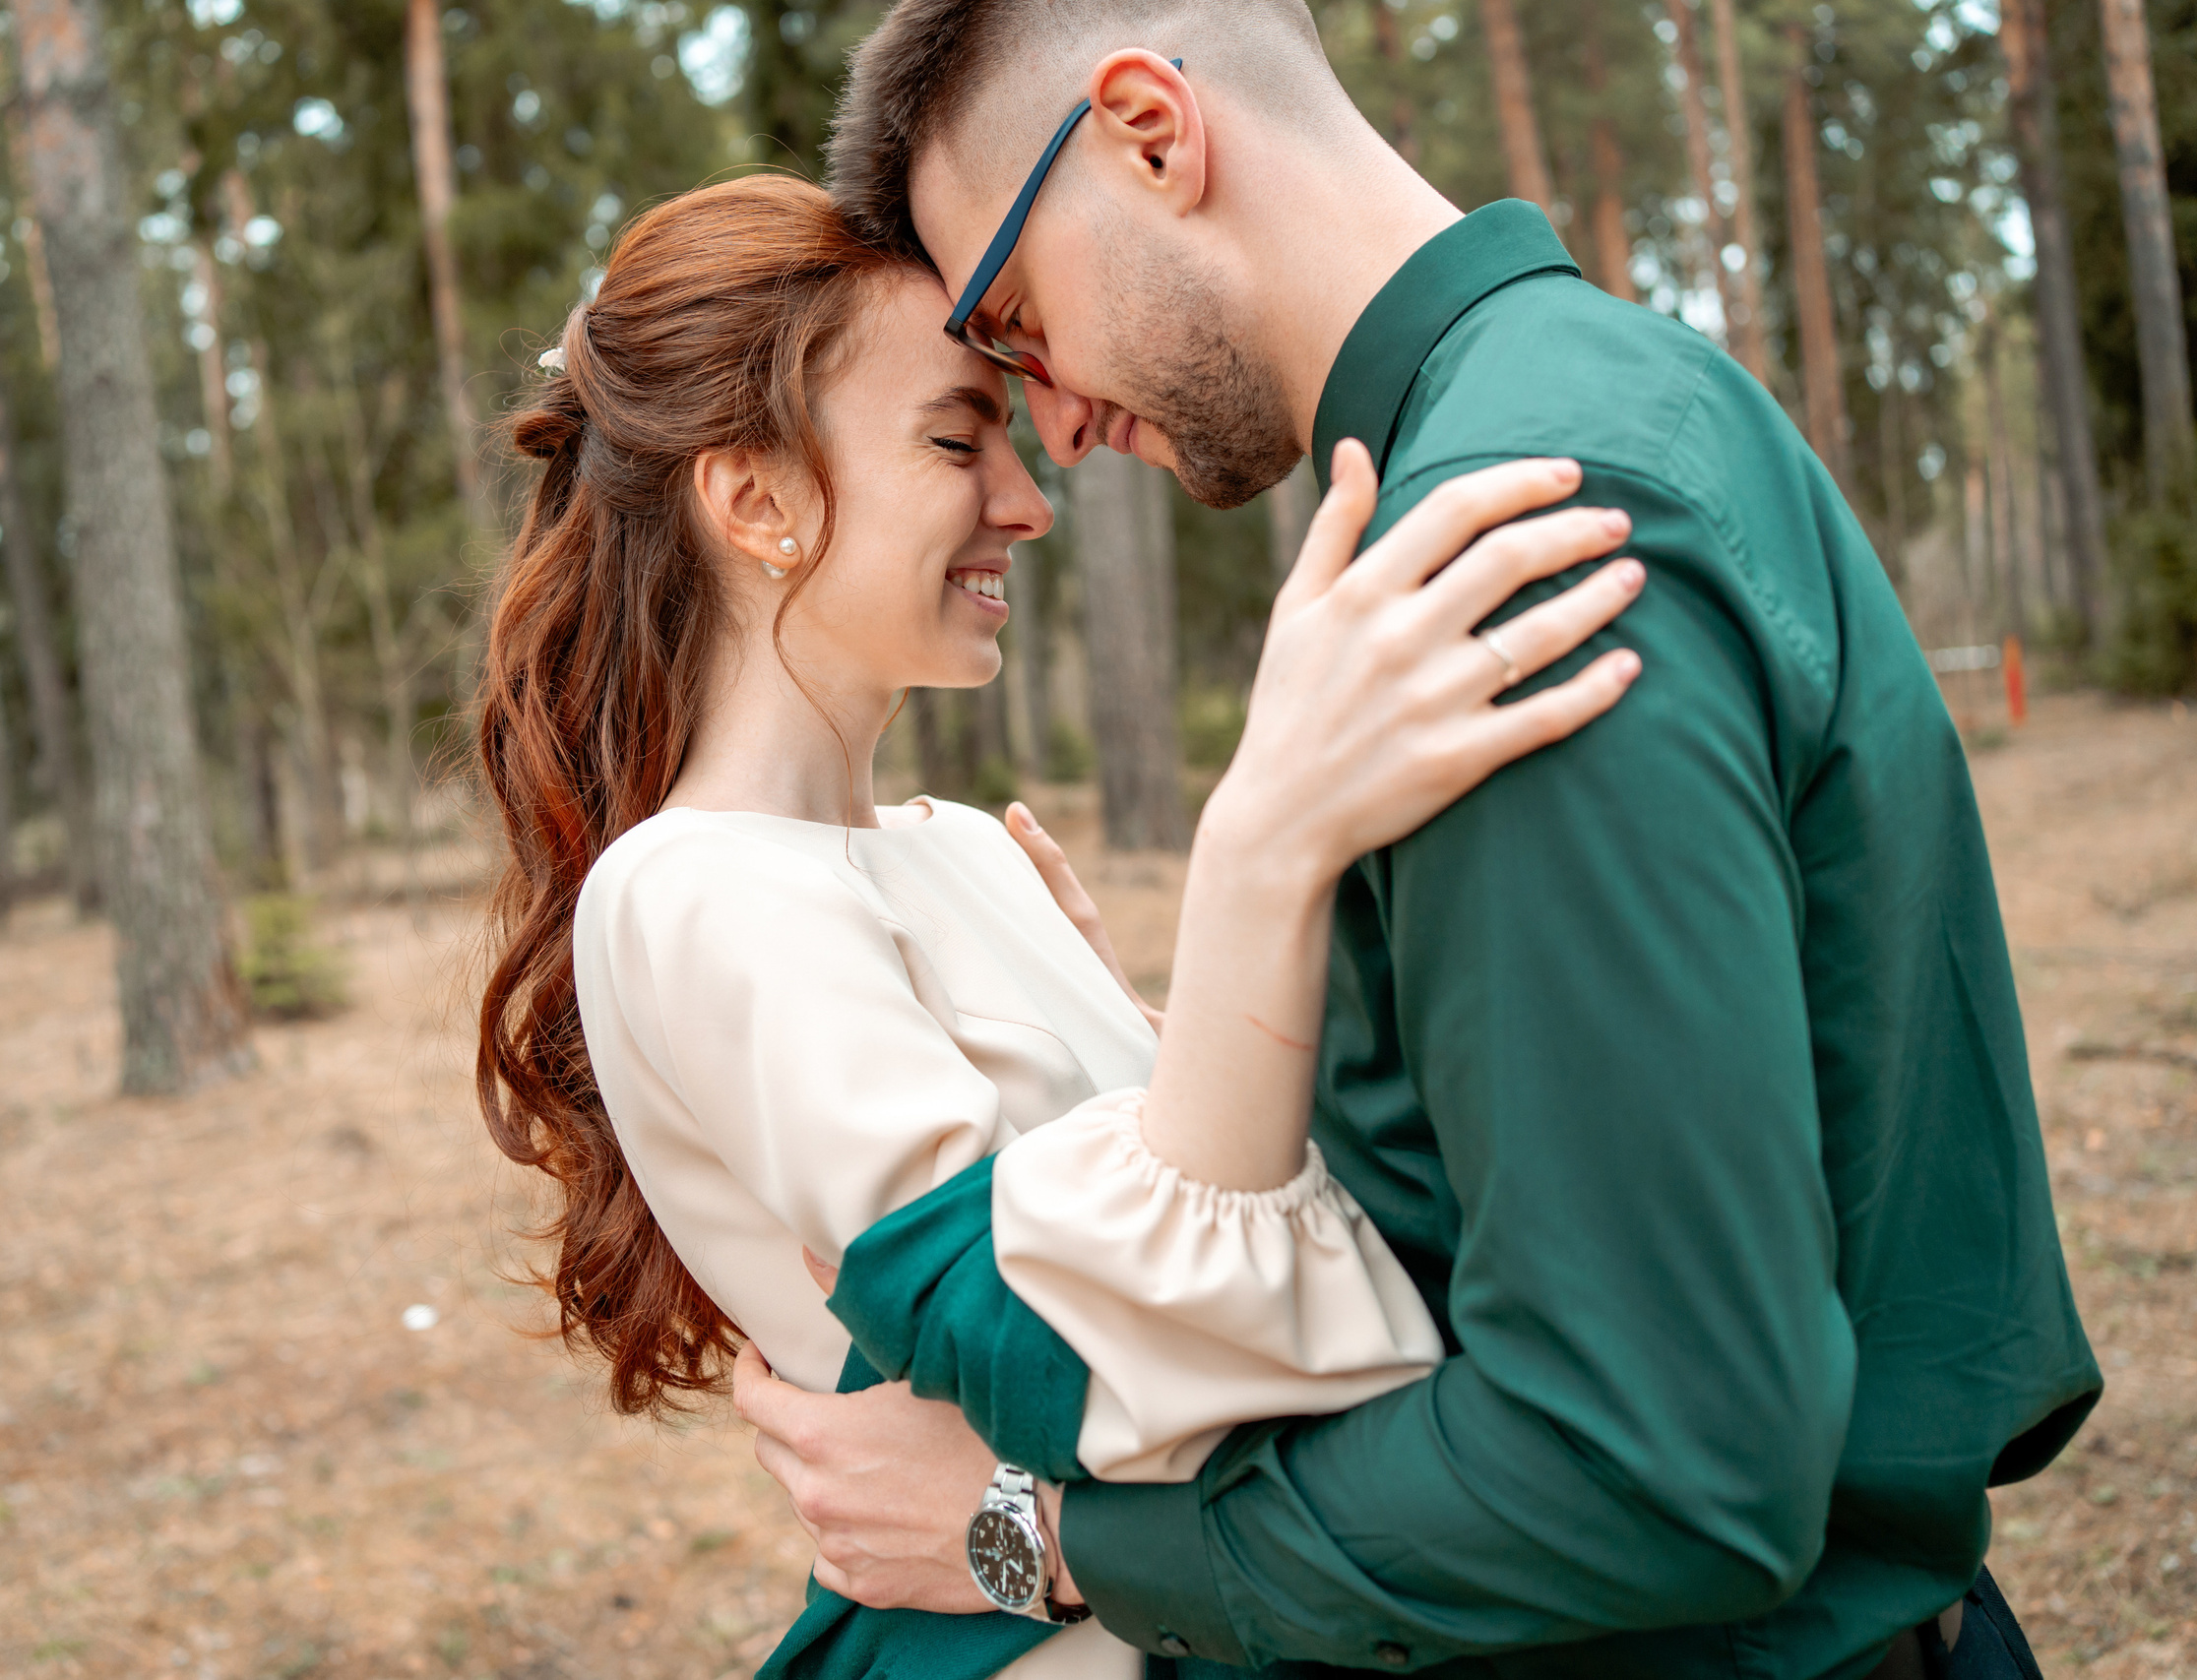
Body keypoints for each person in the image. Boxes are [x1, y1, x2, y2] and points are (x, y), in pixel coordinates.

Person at [730, 3, 2104, 1678]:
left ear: (1152, 131)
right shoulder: (1607, 399)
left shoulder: (1505, 545)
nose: (1060, 426)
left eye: (1016, 319)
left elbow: (1656, 1462)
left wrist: (1041, 1535)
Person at [472, 172, 1651, 1680]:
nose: (1027, 501)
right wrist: (1260, 860)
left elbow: (1253, 1240)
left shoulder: (962, 853)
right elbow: (1108, 1361)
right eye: (957, 437)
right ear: (755, 498)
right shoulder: (690, 891)